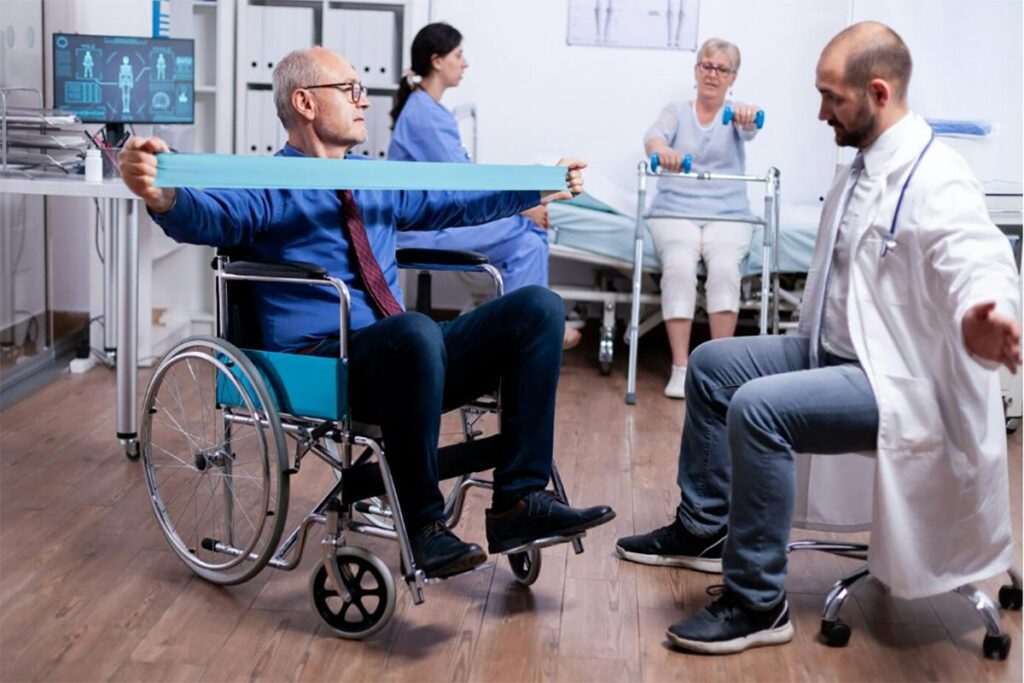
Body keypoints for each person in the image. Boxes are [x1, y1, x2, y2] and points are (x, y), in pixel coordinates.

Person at [118, 46, 615, 581]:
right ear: (305, 102)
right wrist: (164, 195)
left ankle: (519, 504)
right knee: (415, 330)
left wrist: (536, 186)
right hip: (329, 366)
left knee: (538, 307)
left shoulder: (374, 176)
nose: (365, 103)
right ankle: (425, 530)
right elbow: (211, 217)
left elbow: (452, 203)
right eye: (351, 90)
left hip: (407, 355)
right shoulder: (268, 180)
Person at [616, 22, 1020, 655]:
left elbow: (976, 254)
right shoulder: (864, 165)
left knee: (759, 409)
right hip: (831, 351)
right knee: (712, 364)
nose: (820, 111)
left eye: (832, 97)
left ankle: (757, 603)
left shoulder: (936, 176)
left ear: (878, 93)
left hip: (897, 379)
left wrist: (984, 311)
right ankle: (704, 531)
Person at [388, 22, 581, 350]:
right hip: (425, 227)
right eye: (459, 55)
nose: (465, 63)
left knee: (531, 243)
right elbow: (465, 184)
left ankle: (524, 332)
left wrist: (527, 201)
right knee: (528, 231)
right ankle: (528, 331)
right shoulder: (424, 115)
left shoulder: (430, 110)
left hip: (437, 218)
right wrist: (525, 204)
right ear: (437, 60)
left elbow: (463, 178)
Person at [643, 38, 762, 398]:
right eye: (706, 66)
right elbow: (653, 138)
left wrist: (747, 115)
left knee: (725, 268)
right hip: (675, 210)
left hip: (727, 214)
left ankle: (721, 371)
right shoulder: (676, 111)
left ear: (733, 77)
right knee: (679, 265)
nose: (712, 73)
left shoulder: (736, 113)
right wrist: (663, 152)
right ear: (696, 71)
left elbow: (750, 127)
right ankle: (682, 369)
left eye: (721, 68)